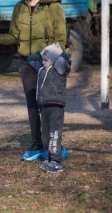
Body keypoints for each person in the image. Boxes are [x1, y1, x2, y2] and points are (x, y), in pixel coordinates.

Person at [0, 0, 68, 162]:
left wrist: (51, 60)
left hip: (47, 64)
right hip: (26, 62)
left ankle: (53, 147)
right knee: (32, 106)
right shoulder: (19, 7)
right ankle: (37, 145)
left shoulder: (53, 6)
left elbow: (61, 38)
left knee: (48, 106)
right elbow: (13, 36)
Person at [36, 43, 70, 173]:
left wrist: (59, 51)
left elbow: (63, 59)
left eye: (46, 60)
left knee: (54, 135)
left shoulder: (59, 69)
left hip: (56, 107)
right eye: (42, 60)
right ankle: (50, 158)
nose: (43, 62)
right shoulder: (42, 70)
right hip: (44, 107)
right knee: (45, 136)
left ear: (54, 60)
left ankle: (56, 161)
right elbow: (33, 61)